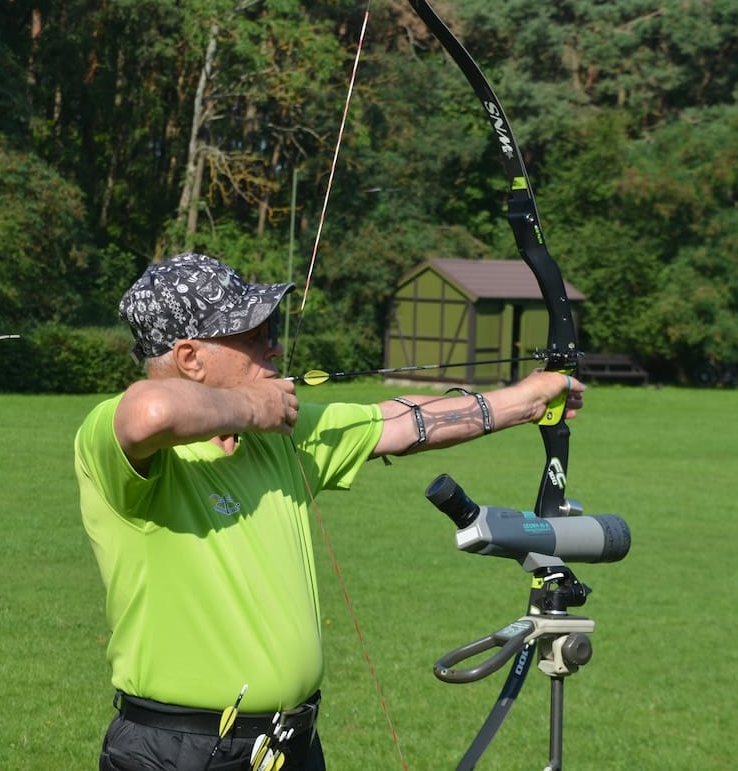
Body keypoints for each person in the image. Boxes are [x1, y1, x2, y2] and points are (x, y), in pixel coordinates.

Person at [74, 252, 585, 770]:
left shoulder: (274, 439)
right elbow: (150, 412)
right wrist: (255, 406)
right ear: (190, 358)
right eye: (255, 334)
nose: (274, 345)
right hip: (176, 751)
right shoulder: (120, 446)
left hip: (287, 746)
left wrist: (527, 399)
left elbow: (401, 423)